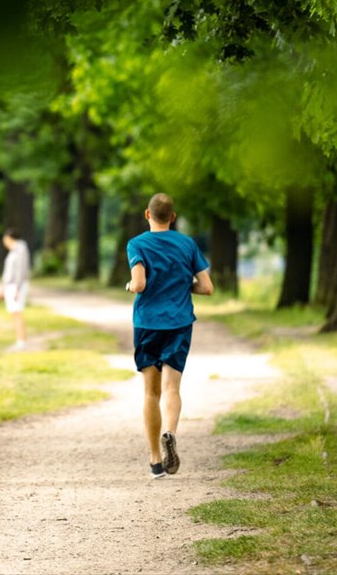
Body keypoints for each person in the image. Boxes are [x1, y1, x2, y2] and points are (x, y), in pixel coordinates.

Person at [125, 193, 214, 479]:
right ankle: (170, 432)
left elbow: (139, 284)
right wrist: (181, 285)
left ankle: (155, 461)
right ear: (173, 217)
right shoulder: (187, 244)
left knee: (151, 392)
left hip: (148, 323)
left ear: (147, 215)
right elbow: (207, 287)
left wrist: (129, 285)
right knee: (173, 388)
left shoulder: (137, 244)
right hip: (179, 322)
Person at [1, 227, 31, 350]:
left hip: (16, 286)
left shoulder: (20, 250)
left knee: (17, 313)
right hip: (10, 286)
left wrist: (18, 289)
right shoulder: (13, 251)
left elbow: (20, 270)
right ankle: (19, 340)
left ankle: (21, 341)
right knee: (15, 313)